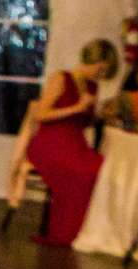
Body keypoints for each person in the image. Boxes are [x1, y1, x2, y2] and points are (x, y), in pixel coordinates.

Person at [20, 38, 118, 248]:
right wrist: (75, 108)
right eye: (100, 69)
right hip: (50, 141)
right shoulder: (61, 78)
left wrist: (99, 114)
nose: (99, 75)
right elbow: (41, 115)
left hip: (75, 142)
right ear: (93, 61)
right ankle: (64, 231)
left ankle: (85, 228)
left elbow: (82, 123)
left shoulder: (92, 86)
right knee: (81, 171)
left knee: (100, 167)